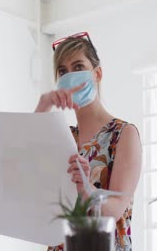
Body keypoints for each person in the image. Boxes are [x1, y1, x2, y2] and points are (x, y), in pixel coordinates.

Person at [35, 32, 142, 251]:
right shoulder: (62, 136)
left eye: (78, 67)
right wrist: (43, 107)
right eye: (62, 71)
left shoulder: (123, 134)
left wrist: (86, 188)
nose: (69, 76)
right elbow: (23, 158)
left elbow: (116, 209)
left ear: (97, 74)